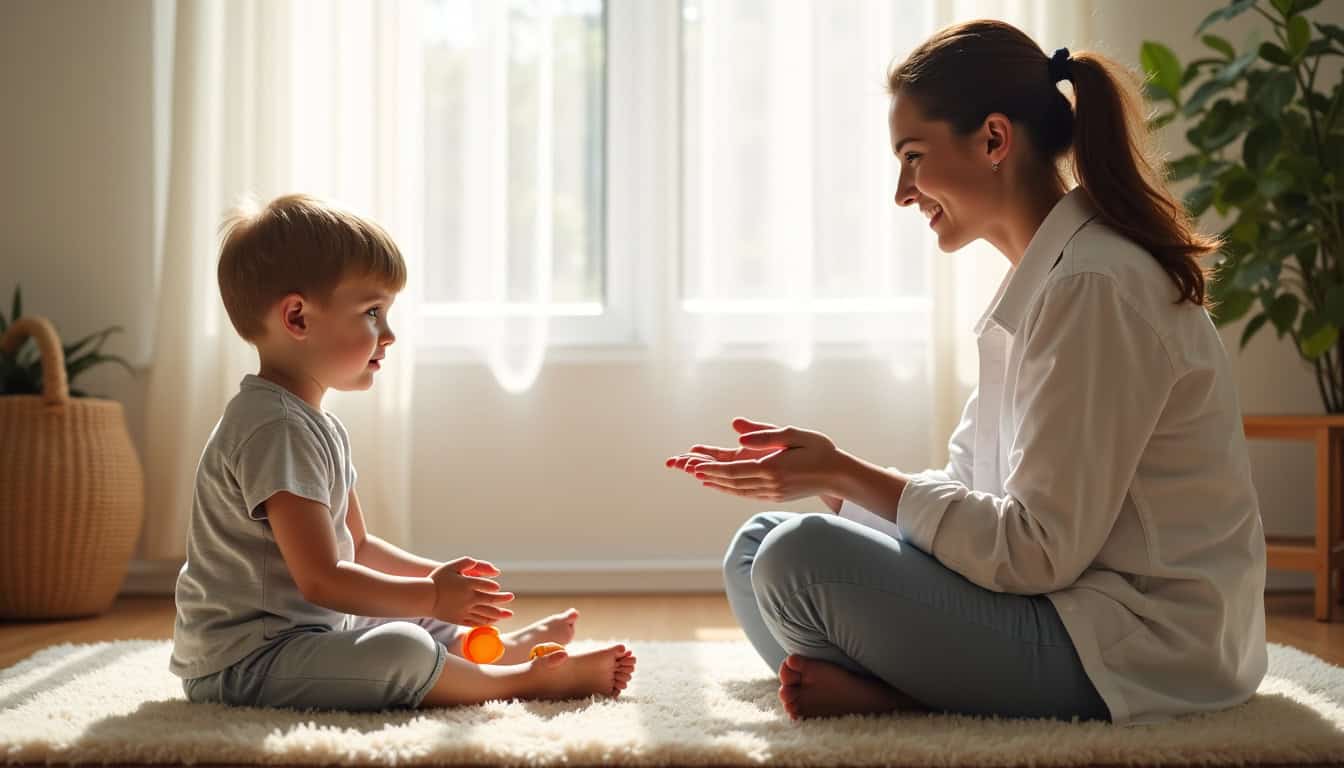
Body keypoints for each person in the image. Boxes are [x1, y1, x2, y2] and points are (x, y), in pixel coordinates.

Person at [667, 20, 1266, 726]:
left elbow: (1036, 552)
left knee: (797, 560)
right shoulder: (1049, 283)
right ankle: (906, 690)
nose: (901, 191)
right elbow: (972, 494)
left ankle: (899, 699)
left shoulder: (1096, 287)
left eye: (913, 156)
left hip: (1136, 644)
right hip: (1057, 606)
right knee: (759, 547)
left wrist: (848, 474)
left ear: (992, 140)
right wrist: (831, 484)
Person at [171, 193, 635, 710]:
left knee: (407, 611)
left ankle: (486, 652)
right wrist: (433, 595)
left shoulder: (314, 424)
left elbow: (359, 547)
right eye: (373, 313)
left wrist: (436, 580)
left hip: (305, 634)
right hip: (246, 663)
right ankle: (521, 683)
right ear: (297, 318)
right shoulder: (274, 429)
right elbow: (322, 578)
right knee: (403, 646)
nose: (389, 335)